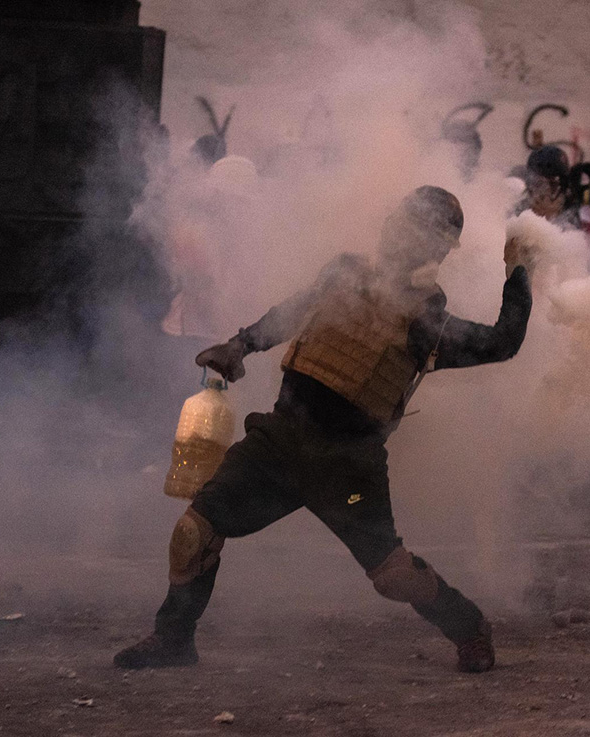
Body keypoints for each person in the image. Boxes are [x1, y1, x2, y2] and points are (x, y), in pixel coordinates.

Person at [115, 186, 532, 674]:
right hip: (280, 440)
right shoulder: (344, 274)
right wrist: (240, 345)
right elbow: (293, 311)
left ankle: (469, 627)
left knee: (393, 575)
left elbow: (502, 343)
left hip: (348, 467)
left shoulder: (427, 321)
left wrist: (518, 272)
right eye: (401, 221)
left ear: (435, 249)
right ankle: (173, 639)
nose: (396, 233)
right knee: (195, 532)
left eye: (416, 230)